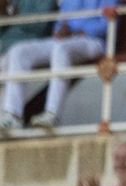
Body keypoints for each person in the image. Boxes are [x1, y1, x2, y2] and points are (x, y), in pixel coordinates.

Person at [0, 0, 107, 131]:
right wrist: (59, 30)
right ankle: (12, 115)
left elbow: (106, 23)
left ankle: (52, 114)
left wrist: (79, 31)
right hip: (64, 41)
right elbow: (60, 22)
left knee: (61, 49)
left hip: (93, 41)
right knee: (19, 51)